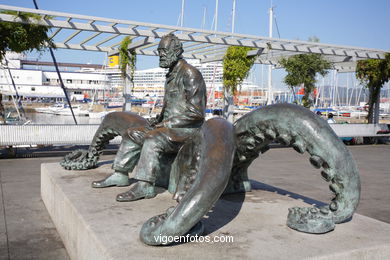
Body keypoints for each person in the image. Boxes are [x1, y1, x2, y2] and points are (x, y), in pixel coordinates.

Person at [92, 33, 207, 202]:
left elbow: (196, 112)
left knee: (153, 138)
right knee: (132, 133)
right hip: (169, 128)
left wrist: (165, 124)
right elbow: (172, 107)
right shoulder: (171, 74)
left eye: (163, 51)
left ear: (176, 51)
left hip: (187, 131)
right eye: (159, 52)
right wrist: (159, 120)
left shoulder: (190, 73)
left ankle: (145, 185)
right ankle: (120, 174)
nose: (160, 55)